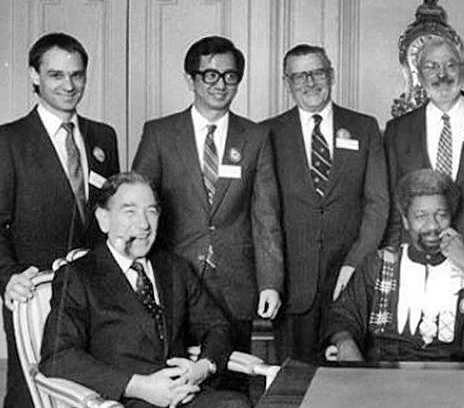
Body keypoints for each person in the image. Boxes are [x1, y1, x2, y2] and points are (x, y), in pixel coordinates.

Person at [132, 36, 283, 375]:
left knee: (233, 381)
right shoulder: (160, 133)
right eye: (210, 75)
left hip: (236, 283)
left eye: (230, 76)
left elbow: (266, 216)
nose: (221, 84)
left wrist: (270, 281)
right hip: (174, 278)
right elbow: (136, 204)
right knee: (176, 376)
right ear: (191, 79)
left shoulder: (255, 137)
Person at [40, 172, 250, 408]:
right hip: (122, 400)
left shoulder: (174, 268)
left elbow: (217, 325)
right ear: (103, 219)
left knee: (236, 404)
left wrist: (202, 367)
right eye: (130, 212)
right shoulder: (78, 276)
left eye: (151, 211)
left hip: (185, 393)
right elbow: (58, 356)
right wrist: (138, 386)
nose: (143, 224)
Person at [0, 32, 119, 408]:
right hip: (33, 291)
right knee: (31, 391)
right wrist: (7, 276)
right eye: (56, 75)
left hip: (94, 289)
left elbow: (107, 216)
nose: (69, 86)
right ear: (34, 76)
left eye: (77, 75)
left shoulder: (103, 136)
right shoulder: (8, 141)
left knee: (87, 389)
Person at [262, 44, 389, 363]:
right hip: (293, 288)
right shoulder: (267, 133)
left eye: (317, 72)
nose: (310, 82)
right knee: (295, 384)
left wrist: (355, 262)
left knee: (354, 388)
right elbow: (264, 215)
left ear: (330, 75)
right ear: (286, 81)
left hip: (353, 282)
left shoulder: (364, 127)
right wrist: (271, 281)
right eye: (299, 75)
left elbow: (378, 204)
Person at [324, 169, 464, 361]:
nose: (432, 226)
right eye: (421, 216)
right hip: (385, 375)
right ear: (406, 221)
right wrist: (345, 343)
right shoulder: (379, 264)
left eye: (441, 215)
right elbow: (342, 318)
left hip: (458, 378)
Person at [383, 36, 464, 256]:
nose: (442, 74)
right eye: (432, 66)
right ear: (419, 73)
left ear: (463, 70)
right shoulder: (398, 130)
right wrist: (394, 250)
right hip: (417, 256)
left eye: (450, 65)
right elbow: (394, 201)